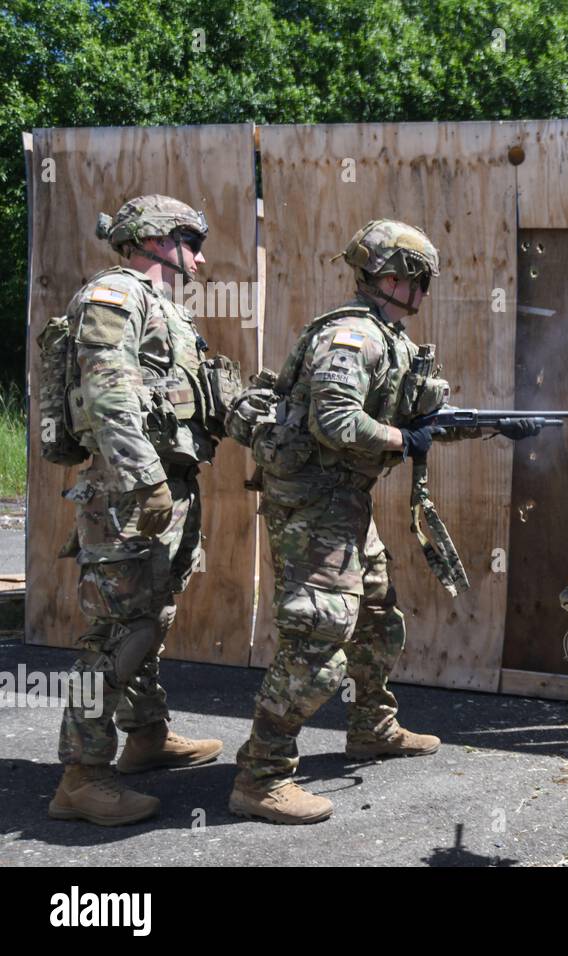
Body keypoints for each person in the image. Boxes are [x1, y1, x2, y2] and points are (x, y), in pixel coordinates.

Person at [228, 219, 542, 824]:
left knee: (376, 616)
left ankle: (371, 725)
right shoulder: (353, 337)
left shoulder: (388, 336)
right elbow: (336, 422)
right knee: (319, 636)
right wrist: (405, 438)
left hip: (346, 501)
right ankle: (261, 775)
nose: (424, 294)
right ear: (392, 277)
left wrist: (496, 424)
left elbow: (428, 418)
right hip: (314, 505)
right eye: (419, 280)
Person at [49, 195, 228, 826]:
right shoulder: (113, 298)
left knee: (153, 617)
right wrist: (145, 479)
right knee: (117, 635)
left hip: (164, 492)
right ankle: (82, 776)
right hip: (127, 497)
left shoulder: (163, 311)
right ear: (155, 240)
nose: (202, 259)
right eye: (192, 242)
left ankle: (146, 737)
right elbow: (108, 396)